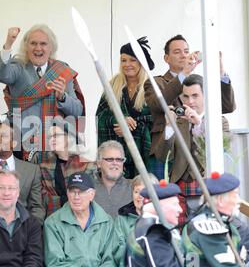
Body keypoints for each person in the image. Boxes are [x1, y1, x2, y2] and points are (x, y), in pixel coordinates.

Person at [144, 35, 235, 179]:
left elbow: (227, 107)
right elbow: (157, 104)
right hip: (168, 152)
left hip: (199, 155)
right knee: (164, 199)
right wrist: (183, 74)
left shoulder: (199, 81)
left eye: (186, 51)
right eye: (177, 52)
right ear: (166, 58)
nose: (183, 55)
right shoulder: (156, 82)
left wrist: (221, 71)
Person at [0, 25, 85, 160]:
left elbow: (77, 111)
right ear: (26, 46)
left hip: (56, 146)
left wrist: (62, 97)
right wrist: (8, 43)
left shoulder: (62, 70)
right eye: (33, 43)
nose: (38, 48)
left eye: (43, 44)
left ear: (51, 48)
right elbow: (1, 74)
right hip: (24, 144)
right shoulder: (18, 66)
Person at [163, 74, 231, 223]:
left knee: (205, 230)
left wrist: (200, 125)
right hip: (178, 186)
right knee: (178, 231)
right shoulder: (177, 121)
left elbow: (221, 151)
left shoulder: (220, 121)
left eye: (195, 96)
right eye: (186, 97)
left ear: (205, 95)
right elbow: (164, 154)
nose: (190, 102)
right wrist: (169, 126)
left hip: (206, 185)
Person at [44, 172, 118, 267]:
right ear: (67, 193)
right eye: (72, 191)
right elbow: (54, 263)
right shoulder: (52, 222)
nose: (76, 197)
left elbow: (111, 259)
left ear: (92, 194)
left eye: (81, 192)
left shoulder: (107, 221)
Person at [96, 37, 154, 179]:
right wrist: (119, 120)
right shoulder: (113, 85)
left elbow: (157, 119)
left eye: (132, 60)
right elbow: (100, 116)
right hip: (116, 155)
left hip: (145, 153)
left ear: (141, 62)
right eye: (123, 60)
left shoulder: (151, 86)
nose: (127, 64)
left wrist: (131, 127)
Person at [182, 172, 249, 267]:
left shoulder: (226, 224)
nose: (239, 201)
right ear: (220, 201)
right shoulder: (206, 227)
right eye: (235, 195)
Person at [124, 180, 184, 267]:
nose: (179, 209)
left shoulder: (143, 225)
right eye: (175, 204)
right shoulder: (154, 232)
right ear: (160, 207)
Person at [0, 122, 45, 223]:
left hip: (21, 231)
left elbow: (36, 207)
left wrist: (29, 231)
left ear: (14, 143)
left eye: (4, 135)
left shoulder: (31, 171)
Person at [38, 121, 96, 216]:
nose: (52, 139)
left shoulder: (85, 164)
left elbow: (90, 194)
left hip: (81, 216)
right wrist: (60, 200)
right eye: (50, 137)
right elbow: (40, 192)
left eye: (56, 135)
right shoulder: (43, 164)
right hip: (53, 216)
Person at [112, 173, 158, 267]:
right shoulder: (121, 219)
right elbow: (117, 253)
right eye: (136, 191)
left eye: (144, 191)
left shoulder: (163, 218)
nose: (140, 196)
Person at [93, 140, 132, 218]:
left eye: (119, 159)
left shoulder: (134, 187)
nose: (115, 163)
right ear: (98, 163)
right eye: (110, 159)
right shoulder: (87, 188)